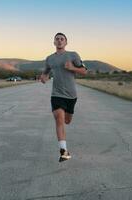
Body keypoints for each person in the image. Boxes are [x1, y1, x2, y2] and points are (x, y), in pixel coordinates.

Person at [40, 32, 88, 162]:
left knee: (67, 120)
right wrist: (43, 77)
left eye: (62, 39)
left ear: (66, 42)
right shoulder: (49, 58)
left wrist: (72, 67)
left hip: (71, 95)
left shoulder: (73, 55)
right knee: (59, 119)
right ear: (54, 43)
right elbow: (45, 72)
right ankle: (64, 151)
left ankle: (64, 149)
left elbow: (84, 71)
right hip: (56, 94)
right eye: (57, 39)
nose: (59, 41)